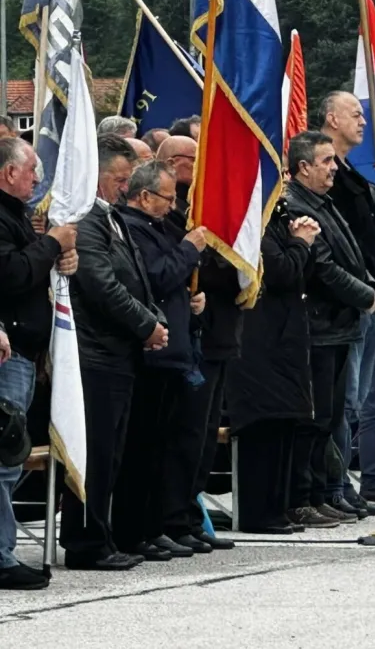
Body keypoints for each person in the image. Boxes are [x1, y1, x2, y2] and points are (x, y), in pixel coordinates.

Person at [61, 135, 167, 571]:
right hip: (95, 354)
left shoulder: (109, 218)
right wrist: (146, 324)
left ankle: (102, 537)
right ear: (100, 176)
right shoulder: (86, 220)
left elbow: (135, 278)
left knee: (113, 454)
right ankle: (87, 544)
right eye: (121, 179)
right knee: (97, 455)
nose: (126, 187)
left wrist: (153, 318)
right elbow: (102, 286)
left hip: (118, 352)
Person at [114, 161, 208, 560]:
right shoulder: (132, 227)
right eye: (167, 198)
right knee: (144, 449)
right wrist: (189, 249)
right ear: (144, 195)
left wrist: (192, 299)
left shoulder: (158, 226)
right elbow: (157, 275)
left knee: (164, 447)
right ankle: (138, 530)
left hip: (174, 351)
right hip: (152, 356)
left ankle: (157, 526)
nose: (173, 206)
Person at [285, 132, 375, 525]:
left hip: (337, 326)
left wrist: (371, 284)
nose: (334, 168)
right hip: (319, 327)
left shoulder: (322, 202)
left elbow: (348, 254)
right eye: (326, 161)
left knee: (331, 415)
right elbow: (322, 268)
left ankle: (327, 491)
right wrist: (366, 295)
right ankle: (306, 496)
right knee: (315, 418)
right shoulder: (296, 205)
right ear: (303, 167)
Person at [155, 136, 240, 550]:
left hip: (216, 333)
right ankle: (173, 516)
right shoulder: (174, 221)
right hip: (185, 339)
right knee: (185, 433)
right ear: (172, 163)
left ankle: (188, 512)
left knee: (204, 435)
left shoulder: (201, 211)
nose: (201, 164)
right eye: (194, 159)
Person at [0, 137, 77, 590]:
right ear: (10, 173)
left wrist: (61, 255)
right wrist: (50, 242)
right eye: (32, 172)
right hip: (8, 354)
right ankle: (2, 553)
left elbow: (34, 266)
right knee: (5, 453)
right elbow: (11, 273)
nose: (37, 180)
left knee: (10, 455)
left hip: (26, 353)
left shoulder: (18, 217)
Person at [320, 92, 375, 513]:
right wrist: (366, 284)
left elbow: (367, 236)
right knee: (345, 400)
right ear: (331, 118)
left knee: (358, 398)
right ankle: (335, 485)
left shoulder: (349, 172)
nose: (363, 121)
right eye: (355, 114)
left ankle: (342, 482)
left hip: (367, 295)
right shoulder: (329, 179)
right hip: (344, 304)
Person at [230, 197, 323, 532]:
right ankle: (260, 512)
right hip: (260, 343)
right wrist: (301, 243)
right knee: (265, 425)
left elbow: (301, 275)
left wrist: (301, 243)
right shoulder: (253, 228)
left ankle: (278, 506)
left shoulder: (278, 224)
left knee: (285, 424)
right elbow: (280, 271)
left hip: (286, 342)